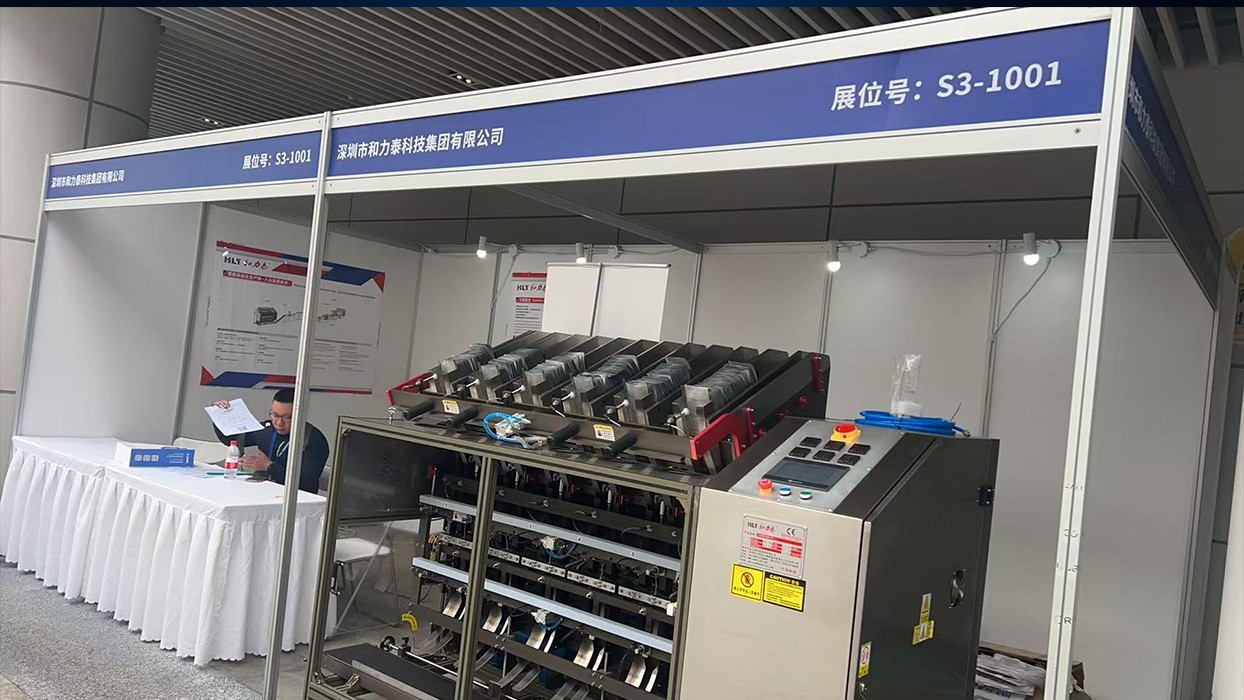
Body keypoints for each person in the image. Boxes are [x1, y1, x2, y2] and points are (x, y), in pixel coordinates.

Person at [210, 388, 329, 494]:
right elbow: (230, 439)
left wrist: (268, 466)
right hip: (262, 492)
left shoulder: (313, 440)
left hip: (297, 500)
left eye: (287, 417)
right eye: (275, 415)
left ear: (301, 415)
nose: (279, 423)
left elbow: (305, 481)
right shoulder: (267, 430)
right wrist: (220, 415)